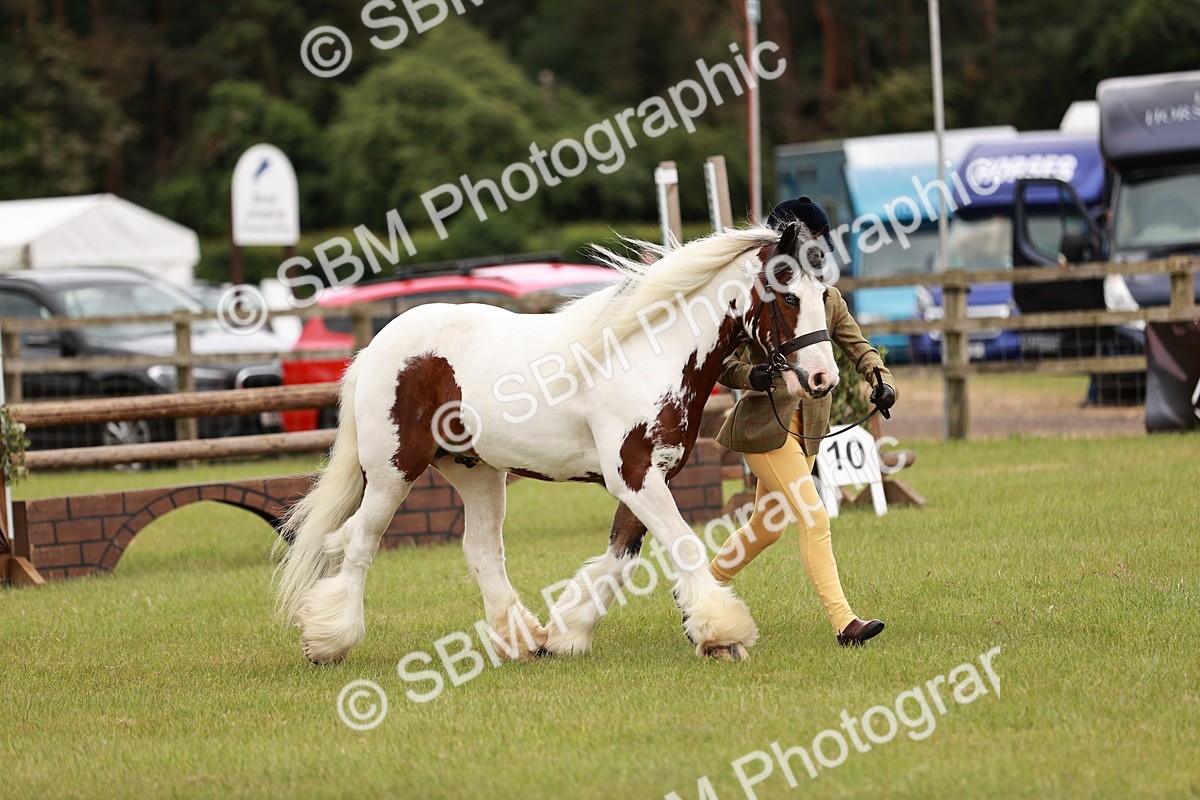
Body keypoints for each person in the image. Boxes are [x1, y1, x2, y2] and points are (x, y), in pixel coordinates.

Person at [711, 197, 897, 647]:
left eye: (820, 241)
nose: (819, 248)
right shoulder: (760, 299)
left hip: (805, 432)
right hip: (765, 431)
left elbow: (857, 346)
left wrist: (880, 377)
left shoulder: (826, 299)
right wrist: (751, 375)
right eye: (811, 240)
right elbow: (726, 363)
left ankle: (703, 585)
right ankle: (845, 622)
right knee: (814, 518)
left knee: (765, 528)